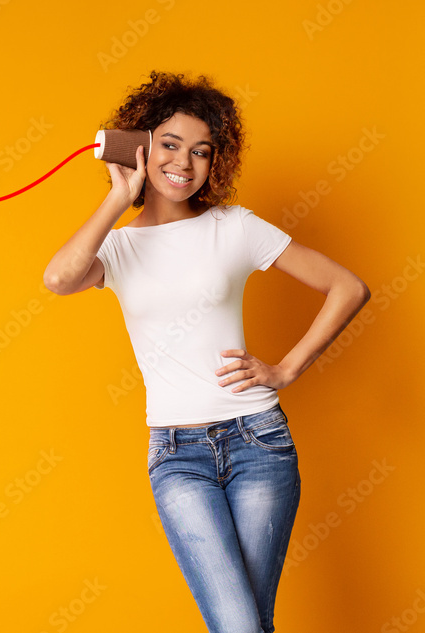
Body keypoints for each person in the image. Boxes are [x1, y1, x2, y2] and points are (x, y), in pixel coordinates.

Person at [43, 71, 369, 633]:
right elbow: (58, 279)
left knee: (244, 626)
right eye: (169, 145)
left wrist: (285, 368)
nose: (184, 163)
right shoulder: (117, 246)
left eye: (201, 151)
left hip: (258, 442)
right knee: (243, 625)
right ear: (143, 145)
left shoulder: (234, 227)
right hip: (177, 455)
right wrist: (119, 197)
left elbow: (349, 287)